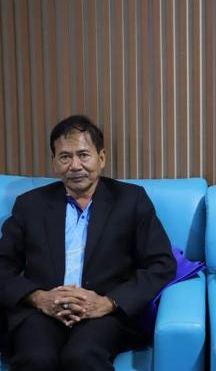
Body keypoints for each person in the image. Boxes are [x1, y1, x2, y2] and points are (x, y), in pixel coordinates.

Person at [0, 115, 177, 370]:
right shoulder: (31, 204)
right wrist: (38, 298)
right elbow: (3, 264)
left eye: (83, 155)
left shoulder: (131, 200)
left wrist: (109, 302)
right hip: (43, 311)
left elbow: (160, 264)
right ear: (54, 162)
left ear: (101, 158)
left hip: (103, 312)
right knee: (35, 357)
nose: (75, 165)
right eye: (65, 157)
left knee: (82, 356)